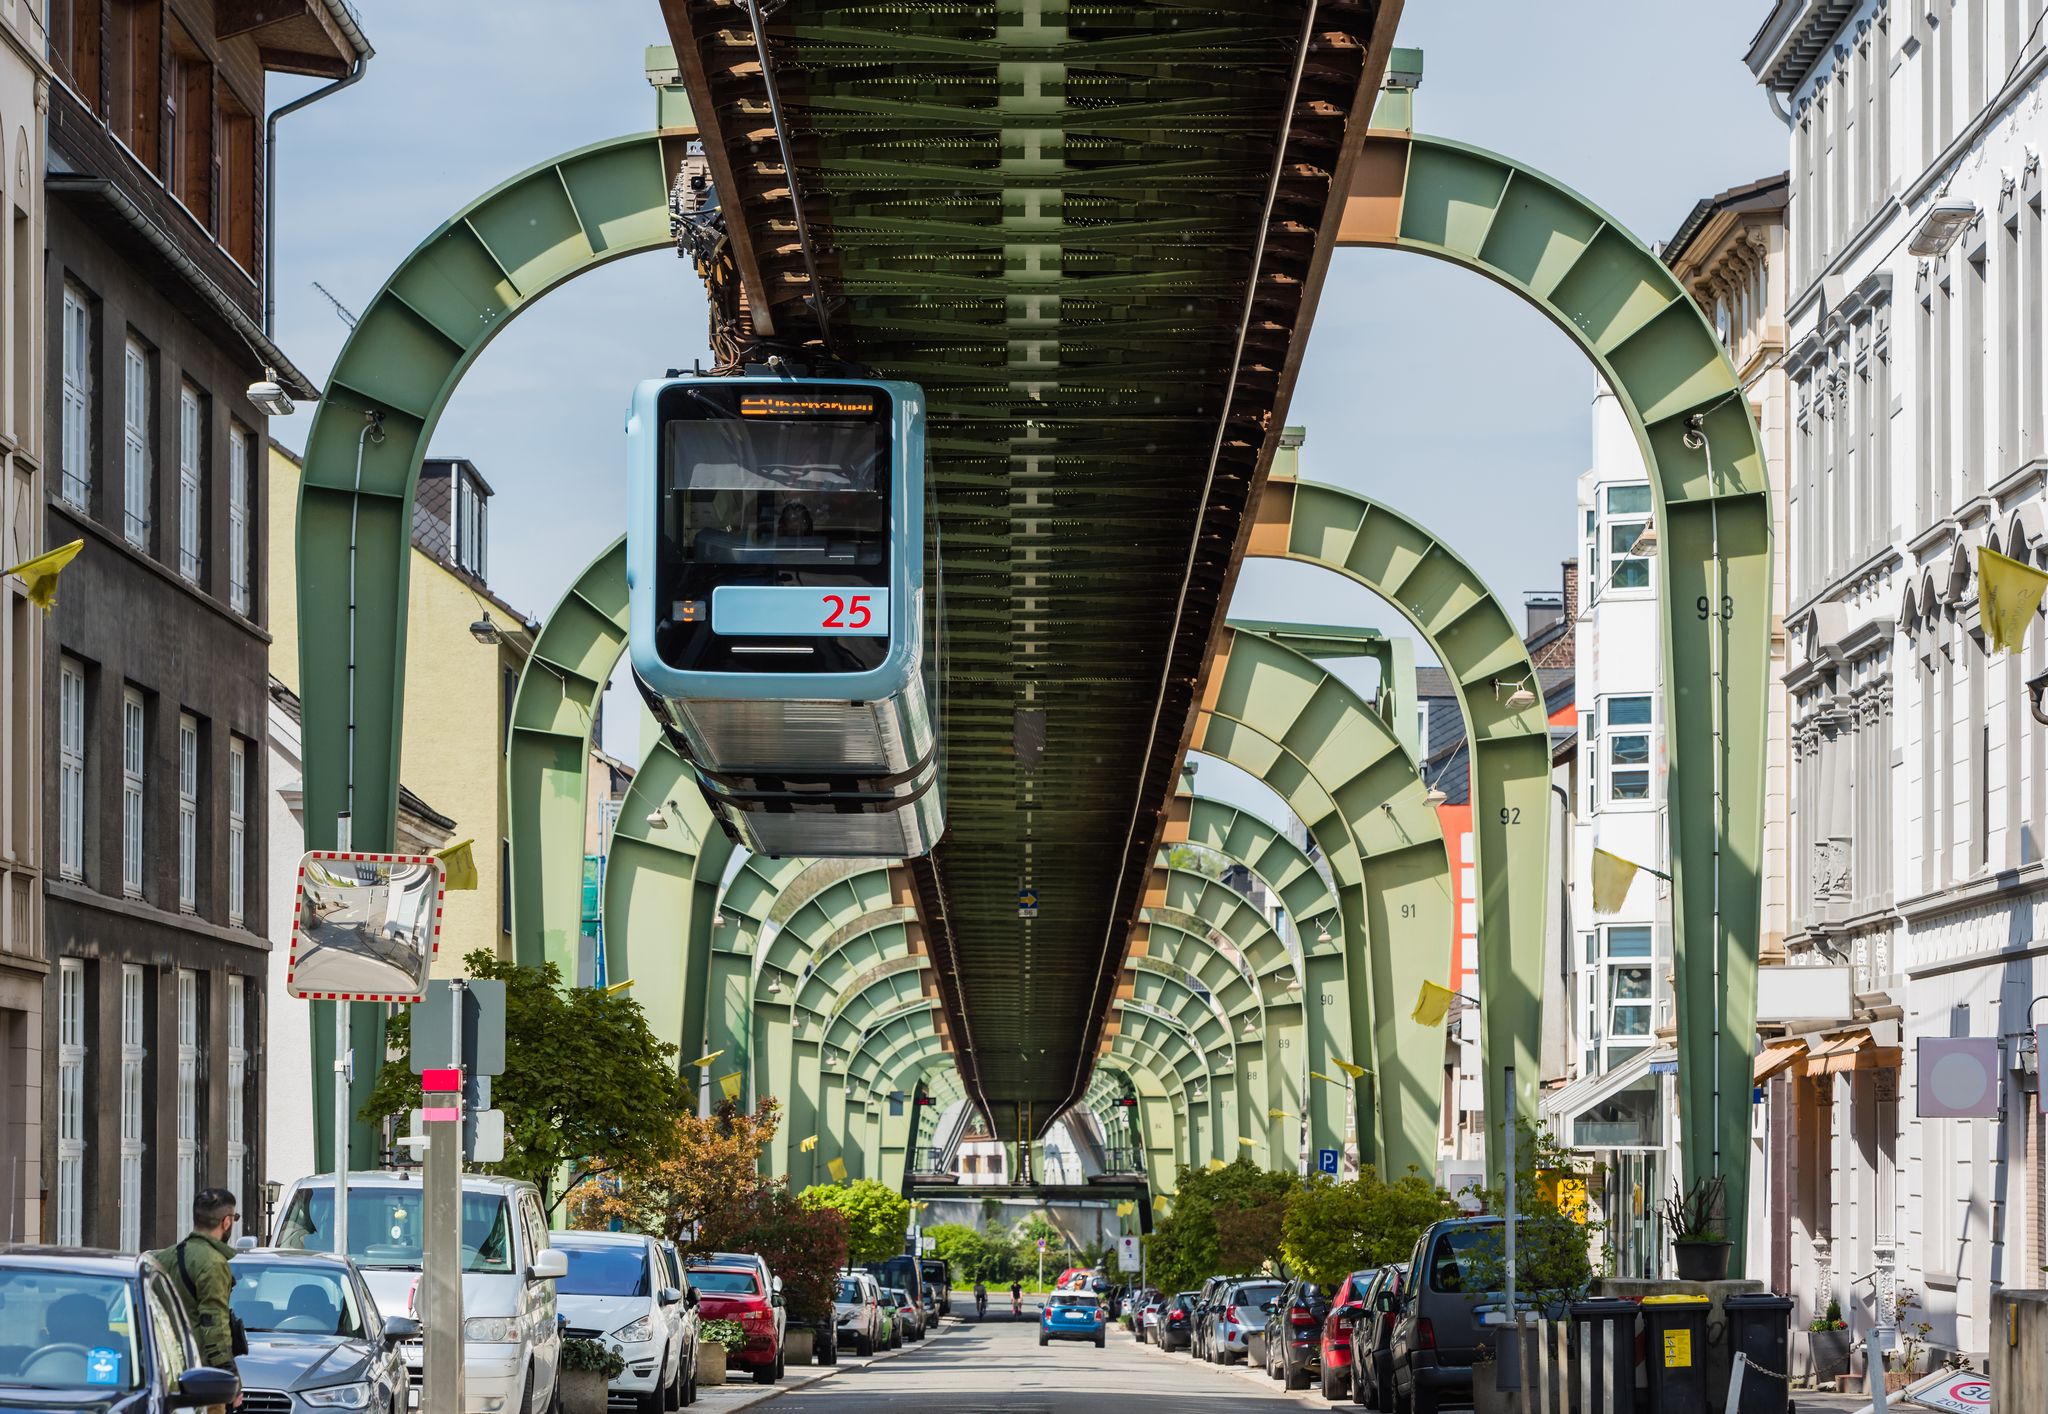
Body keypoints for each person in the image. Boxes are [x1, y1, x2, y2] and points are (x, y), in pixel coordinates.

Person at [152, 1187, 243, 1411]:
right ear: (227, 1222)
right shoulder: (214, 1263)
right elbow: (215, 1324)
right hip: (203, 1377)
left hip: (168, 1367)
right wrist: (231, 1379)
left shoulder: (165, 1256)